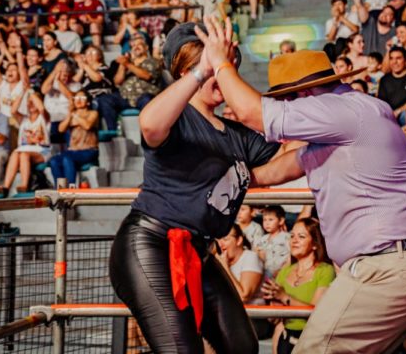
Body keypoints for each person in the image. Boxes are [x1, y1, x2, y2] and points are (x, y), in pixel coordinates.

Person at [197, 18, 406, 354]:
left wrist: (219, 62)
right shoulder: (350, 121)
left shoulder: (339, 110)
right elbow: (274, 172)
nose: (287, 112)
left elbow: (249, 112)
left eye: (287, 102)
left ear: (303, 96)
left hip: (390, 268)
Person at [109, 22, 280, 353]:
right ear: (190, 72)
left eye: (227, 66)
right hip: (150, 244)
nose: (223, 74)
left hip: (199, 250)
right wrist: (205, 68)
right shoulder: (178, 117)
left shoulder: (237, 134)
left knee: (242, 347)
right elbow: (149, 124)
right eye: (216, 67)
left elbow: (282, 164)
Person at [262, 218, 335, 354]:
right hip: (285, 338)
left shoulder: (325, 271)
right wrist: (274, 306)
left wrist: (285, 297)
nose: (294, 241)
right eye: (292, 236)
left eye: (301, 236)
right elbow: (275, 317)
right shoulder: (285, 271)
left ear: (314, 244)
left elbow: (317, 312)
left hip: (312, 341)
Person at [0, 92, 50, 196]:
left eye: (33, 102)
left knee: (23, 154)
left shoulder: (44, 118)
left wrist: (30, 90)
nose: (30, 104)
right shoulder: (24, 119)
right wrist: (23, 92)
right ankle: (6, 187)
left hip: (42, 150)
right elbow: (13, 110)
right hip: (23, 150)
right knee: (16, 153)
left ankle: (24, 185)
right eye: (28, 102)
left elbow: (42, 108)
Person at [48, 89, 99, 187]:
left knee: (67, 159)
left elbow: (87, 125)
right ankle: (59, 188)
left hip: (88, 150)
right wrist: (70, 114)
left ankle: (71, 188)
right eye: (76, 98)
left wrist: (75, 115)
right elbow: (61, 129)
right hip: (73, 150)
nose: (78, 100)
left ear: (88, 102)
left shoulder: (93, 113)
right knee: (54, 160)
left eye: (82, 98)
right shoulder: (71, 115)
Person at [216, 224, 264, 304]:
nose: (220, 244)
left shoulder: (250, 257)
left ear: (239, 240)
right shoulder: (220, 260)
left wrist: (225, 267)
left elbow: (243, 297)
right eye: (218, 240)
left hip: (251, 314)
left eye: (225, 239)